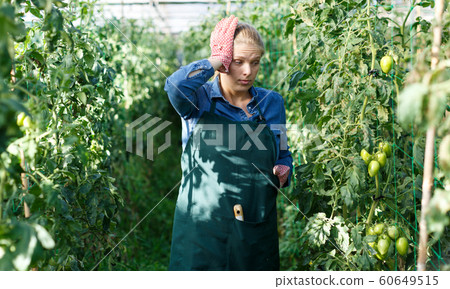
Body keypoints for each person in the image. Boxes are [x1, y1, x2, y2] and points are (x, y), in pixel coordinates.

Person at [164, 15, 293, 270]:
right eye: (238, 62)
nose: (248, 71)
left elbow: (284, 155)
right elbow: (174, 86)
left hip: (254, 230)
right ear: (223, 63)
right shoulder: (197, 102)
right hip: (200, 232)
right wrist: (214, 61)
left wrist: (285, 169)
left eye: (255, 63)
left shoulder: (272, 103)